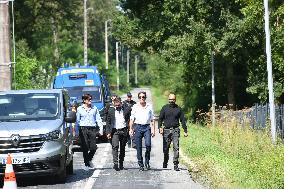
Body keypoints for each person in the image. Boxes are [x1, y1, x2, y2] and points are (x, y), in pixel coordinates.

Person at [158, 93, 188, 171]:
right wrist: (160, 127)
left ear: (175, 100)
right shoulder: (164, 108)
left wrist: (185, 130)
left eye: (173, 99)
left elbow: (183, 120)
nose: (171, 101)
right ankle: (165, 161)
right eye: (170, 99)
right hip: (166, 130)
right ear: (168, 99)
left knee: (176, 147)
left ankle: (175, 164)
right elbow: (160, 119)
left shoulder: (179, 109)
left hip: (175, 130)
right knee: (166, 148)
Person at [76, 94, 103, 170]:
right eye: (88, 99)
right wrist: (77, 132)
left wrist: (101, 129)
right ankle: (86, 164)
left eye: (91, 99)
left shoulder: (94, 108)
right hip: (83, 129)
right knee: (85, 147)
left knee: (93, 147)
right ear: (84, 100)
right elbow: (77, 121)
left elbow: (98, 119)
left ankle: (89, 159)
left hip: (92, 129)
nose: (90, 100)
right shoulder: (79, 109)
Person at [129, 91, 155, 171]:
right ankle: (141, 164)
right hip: (138, 127)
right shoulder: (135, 106)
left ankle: (147, 161)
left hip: (147, 127)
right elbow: (132, 119)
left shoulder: (149, 106)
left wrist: (153, 130)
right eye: (140, 97)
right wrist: (130, 129)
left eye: (143, 97)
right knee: (139, 147)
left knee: (148, 145)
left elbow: (152, 119)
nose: (141, 98)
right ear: (138, 98)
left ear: (145, 98)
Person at [106, 97, 131, 171]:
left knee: (122, 148)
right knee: (115, 146)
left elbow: (131, 111)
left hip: (124, 131)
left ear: (121, 103)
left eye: (118, 104)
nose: (117, 106)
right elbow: (108, 122)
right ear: (113, 104)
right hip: (115, 131)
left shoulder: (126, 109)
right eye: (115, 105)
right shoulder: (111, 111)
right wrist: (108, 132)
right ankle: (115, 163)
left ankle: (121, 163)